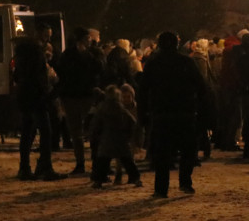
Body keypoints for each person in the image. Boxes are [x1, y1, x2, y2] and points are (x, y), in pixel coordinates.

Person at [139, 31, 210, 197]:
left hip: (162, 112)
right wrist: (200, 109)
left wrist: (144, 113)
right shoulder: (186, 62)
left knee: (162, 153)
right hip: (185, 111)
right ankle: (185, 181)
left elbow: (143, 90)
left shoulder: (153, 63)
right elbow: (201, 87)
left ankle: (161, 188)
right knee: (187, 150)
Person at [14, 26, 65, 181]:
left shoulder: (22, 53)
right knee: (45, 131)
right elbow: (39, 76)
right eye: (45, 35)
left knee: (28, 132)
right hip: (37, 97)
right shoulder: (35, 52)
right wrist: (48, 93)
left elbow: (18, 75)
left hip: (26, 96)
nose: (47, 39)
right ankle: (44, 166)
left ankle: (25, 167)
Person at [55, 27, 104, 175]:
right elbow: (62, 71)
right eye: (87, 38)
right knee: (76, 133)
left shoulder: (93, 53)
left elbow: (100, 68)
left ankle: (97, 164)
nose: (90, 41)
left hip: (87, 96)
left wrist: (85, 55)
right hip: (72, 96)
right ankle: (80, 163)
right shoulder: (68, 54)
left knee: (93, 131)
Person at [89, 85, 141, 189]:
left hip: (106, 139)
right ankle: (136, 179)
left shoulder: (102, 109)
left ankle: (98, 181)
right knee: (128, 161)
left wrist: (96, 136)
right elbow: (132, 122)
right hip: (121, 140)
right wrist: (128, 135)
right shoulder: (121, 109)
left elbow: (95, 125)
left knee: (103, 162)